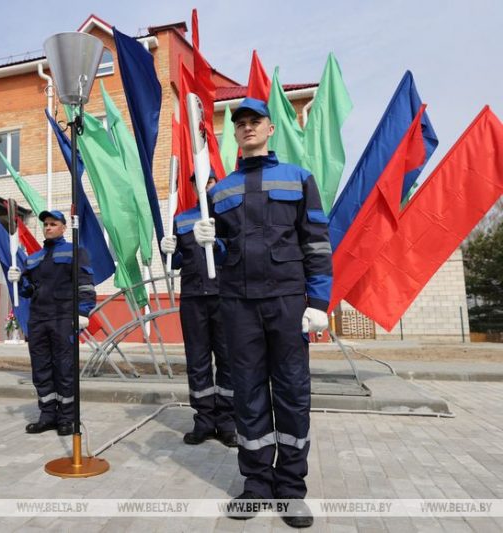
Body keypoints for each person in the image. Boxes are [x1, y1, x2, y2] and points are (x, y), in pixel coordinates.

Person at [194, 98, 332, 528]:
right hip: (238, 304)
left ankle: (290, 489)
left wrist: (318, 302)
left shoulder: (299, 178)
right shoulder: (220, 191)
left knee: (292, 392)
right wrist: (207, 241)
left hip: (287, 301)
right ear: (235, 133)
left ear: (271, 129)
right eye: (241, 124)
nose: (248, 127)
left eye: (255, 121)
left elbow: (316, 242)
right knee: (248, 394)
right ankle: (256, 484)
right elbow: (221, 253)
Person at [160, 171, 237, 448]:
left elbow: (239, 250)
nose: (204, 186)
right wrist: (168, 250)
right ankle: (204, 421)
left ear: (217, 183)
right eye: (198, 182)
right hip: (194, 298)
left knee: (228, 360)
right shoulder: (181, 219)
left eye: (209, 181)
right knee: (197, 361)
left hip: (225, 296)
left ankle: (228, 422)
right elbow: (176, 261)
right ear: (192, 187)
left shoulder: (229, 215)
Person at [7, 210, 95, 436]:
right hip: (38, 319)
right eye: (45, 224)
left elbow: (85, 284)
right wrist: (18, 280)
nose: (48, 227)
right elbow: (29, 290)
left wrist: (83, 312)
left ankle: (67, 418)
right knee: (41, 369)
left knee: (64, 368)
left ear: (64, 227)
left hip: (63, 318)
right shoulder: (33, 258)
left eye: (53, 224)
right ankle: (47, 416)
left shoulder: (75, 251)